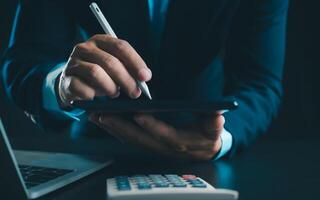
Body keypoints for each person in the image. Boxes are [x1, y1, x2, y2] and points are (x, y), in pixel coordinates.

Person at [1, 0, 289, 160]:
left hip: (201, 145)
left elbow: (261, 83)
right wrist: (61, 85)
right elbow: (23, 62)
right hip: (97, 148)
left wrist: (221, 140)